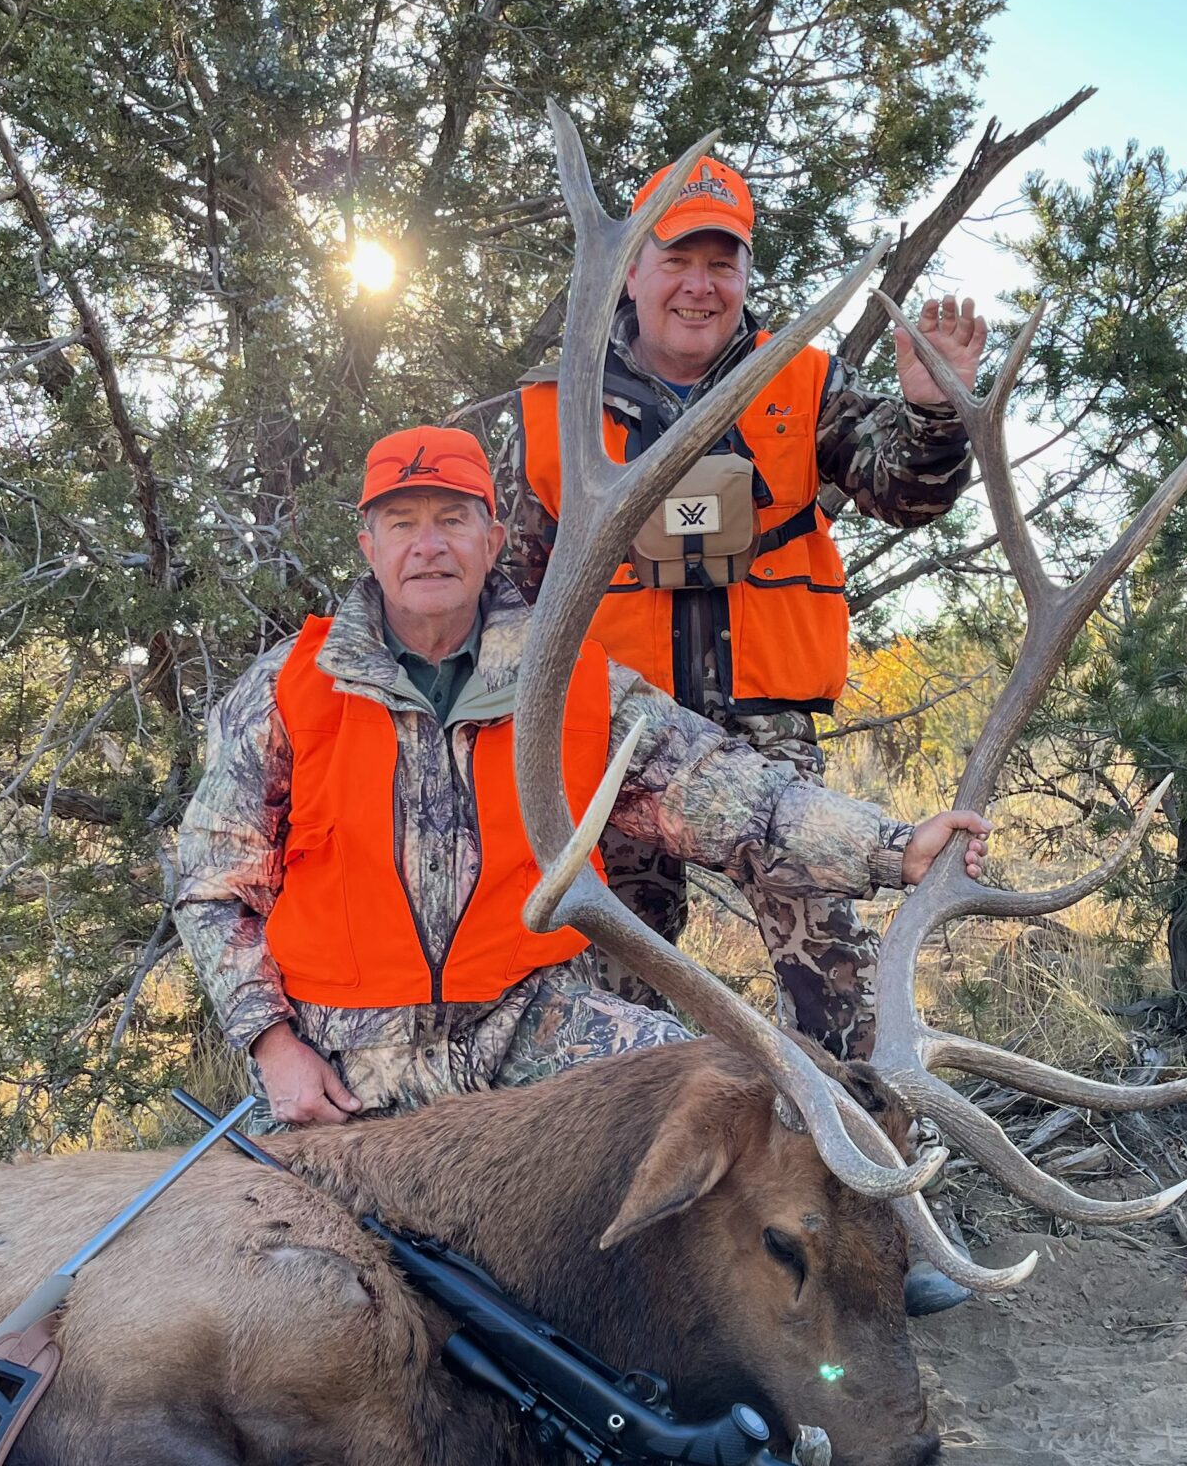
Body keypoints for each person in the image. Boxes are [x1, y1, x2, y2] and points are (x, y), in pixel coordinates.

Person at [174, 424, 988, 1127]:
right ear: (370, 548)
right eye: (403, 522)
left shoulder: (570, 680)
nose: (429, 544)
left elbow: (731, 795)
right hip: (341, 1057)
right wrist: (274, 1047)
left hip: (532, 1027)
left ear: (491, 540)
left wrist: (891, 848)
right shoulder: (288, 688)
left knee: (733, 1101)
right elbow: (214, 888)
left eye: (453, 519)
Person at [499, 152, 985, 1062]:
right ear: (633, 270)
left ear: (747, 274)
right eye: (678, 259)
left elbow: (906, 493)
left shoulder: (801, 382)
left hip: (769, 739)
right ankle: (653, 1176)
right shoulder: (553, 405)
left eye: (723, 262)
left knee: (835, 984)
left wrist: (931, 414)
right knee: (618, 1000)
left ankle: (866, 1163)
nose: (700, 285)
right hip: (617, 743)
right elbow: (505, 593)